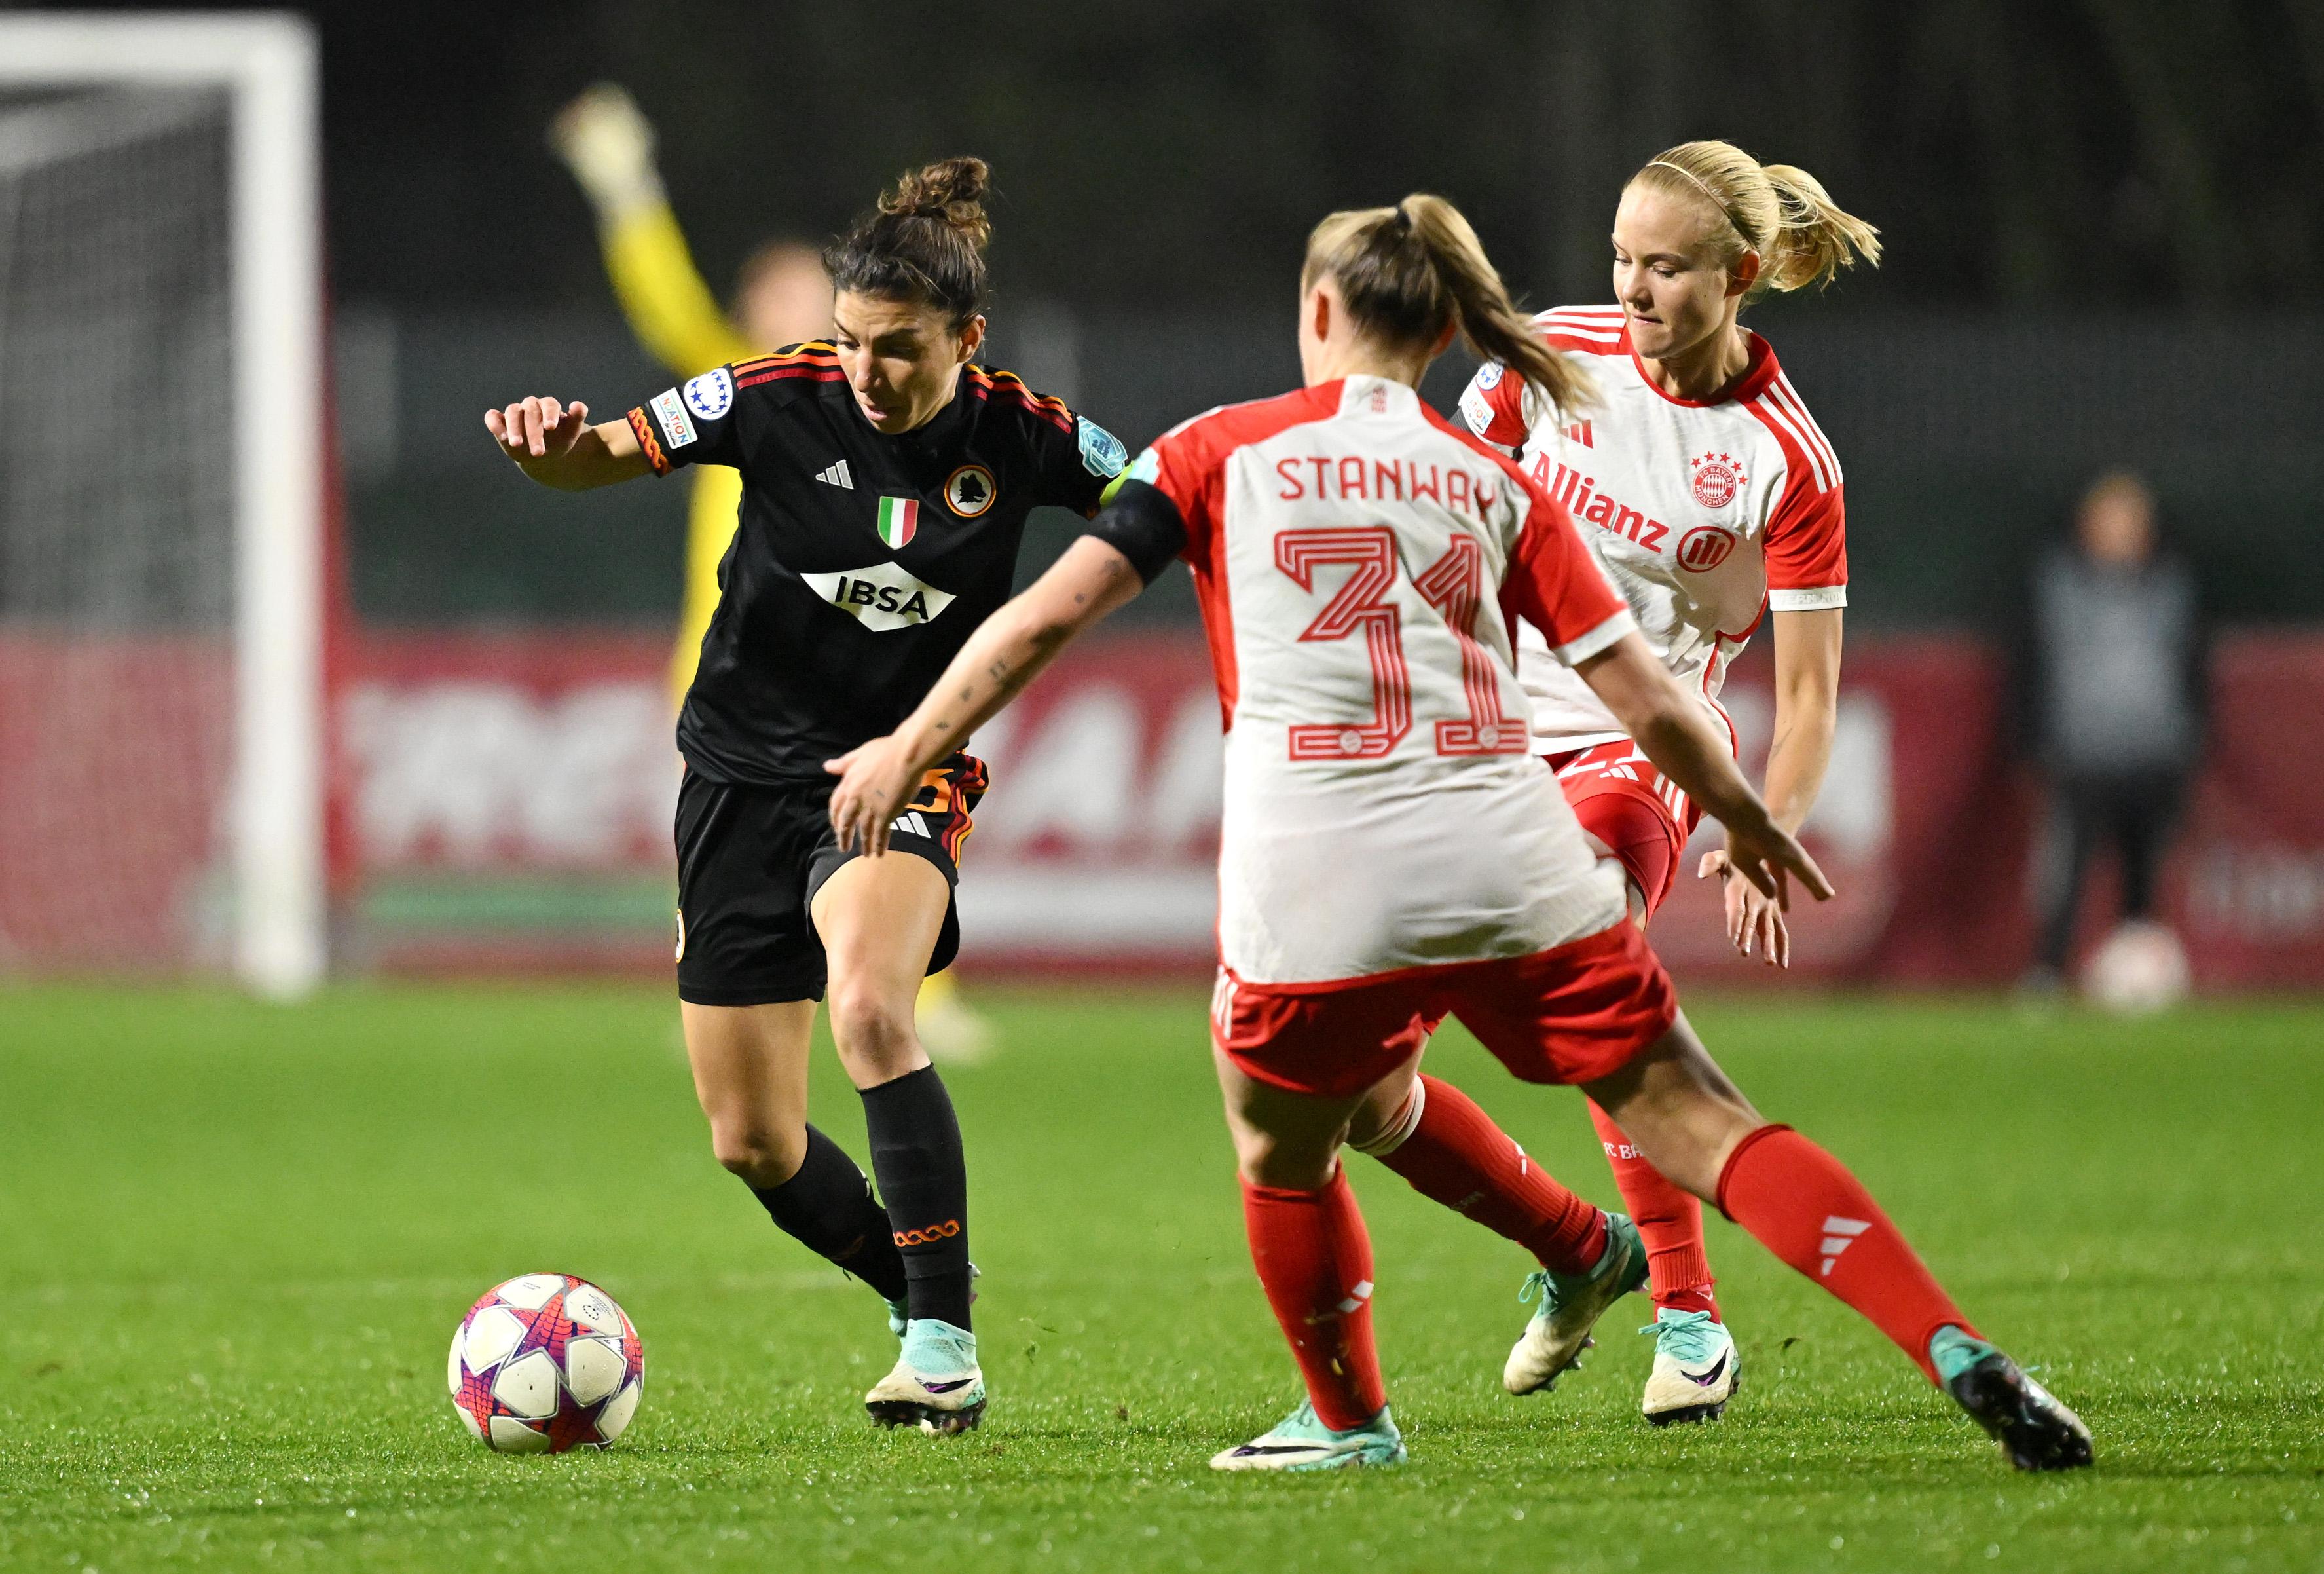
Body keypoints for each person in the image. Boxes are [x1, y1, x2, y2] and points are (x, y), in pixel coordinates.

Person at [826, 193, 2092, 1474]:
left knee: (1284, 1147)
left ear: (1316, 310)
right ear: (1445, 336)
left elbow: (1040, 619)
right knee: (1699, 1117)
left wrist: (906, 744)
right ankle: (1947, 1341)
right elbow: (1651, 697)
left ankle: (1350, 1419)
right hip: (1507, 842)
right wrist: (1749, 816)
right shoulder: (1494, 478)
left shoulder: (1213, 448)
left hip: (1318, 877)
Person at [483, 157, 1132, 1434]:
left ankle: (940, 1348)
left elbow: (1172, 498)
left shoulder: (1026, 434)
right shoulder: (772, 395)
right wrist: (553, 452)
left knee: (871, 1005)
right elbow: (602, 456)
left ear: (966, 339)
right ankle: (919, 1280)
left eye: (897, 348)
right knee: (752, 1139)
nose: (865, 372)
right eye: (849, 341)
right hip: (736, 777)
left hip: (899, 767)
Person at [1344, 140, 1875, 1425]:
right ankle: (1578, 1248)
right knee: (1355, 1092)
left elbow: (1806, 697)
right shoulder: (1548, 360)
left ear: (1738, 274)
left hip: (1633, 747)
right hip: (1480, 741)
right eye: (1622, 259)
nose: (1634, 288)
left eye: (1667, 267)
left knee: (1581, 969)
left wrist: (1768, 821)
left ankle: (1688, 1321)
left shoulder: (1784, 459)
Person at [552, 84, 996, 1064]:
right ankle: (720, 983)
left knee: (894, 811)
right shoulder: (735, 387)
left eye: (809, 292)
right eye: (778, 293)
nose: (794, 308)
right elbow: (666, 301)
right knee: (722, 830)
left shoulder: (881, 402)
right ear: (751, 309)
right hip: (733, 656)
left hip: (856, 656)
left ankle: (923, 991)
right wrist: (627, 187)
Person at [2022, 470, 2206, 989]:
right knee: (2066, 872)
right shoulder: (2057, 584)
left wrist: (2189, 738)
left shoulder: (2170, 586)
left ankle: (2138, 975)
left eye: (2128, 521)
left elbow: (2191, 667)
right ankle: (2047, 973)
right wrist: (2032, 742)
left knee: (2143, 873)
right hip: (2080, 754)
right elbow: (2032, 665)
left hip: (2152, 753)